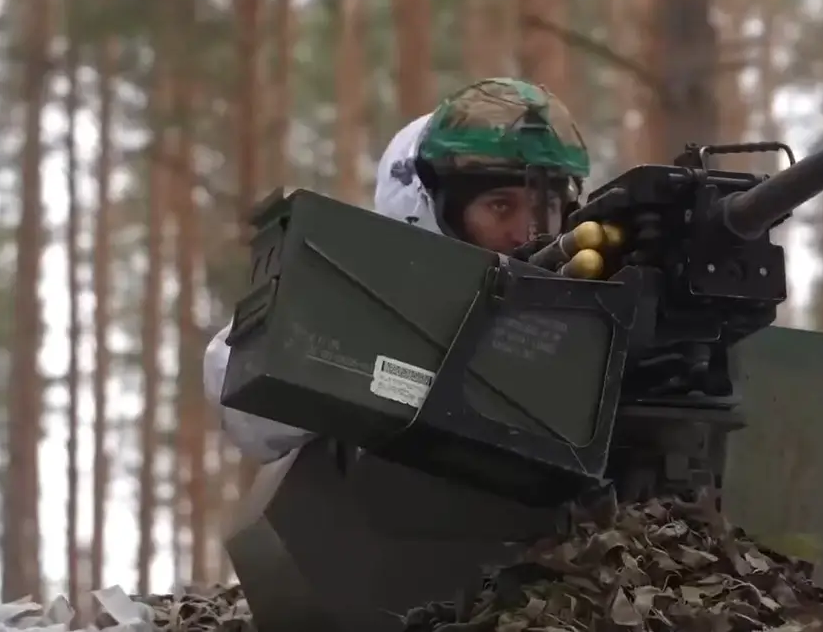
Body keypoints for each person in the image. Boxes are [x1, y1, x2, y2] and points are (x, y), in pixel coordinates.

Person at [202, 76, 592, 462]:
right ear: (434, 210)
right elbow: (239, 393)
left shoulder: (588, 322)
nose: (526, 233)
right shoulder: (359, 302)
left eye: (546, 208)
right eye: (500, 207)